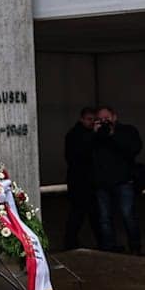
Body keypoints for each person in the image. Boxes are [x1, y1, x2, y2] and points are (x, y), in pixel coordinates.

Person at [91, 106, 143, 254]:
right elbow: (84, 154)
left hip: (123, 181)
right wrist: (94, 135)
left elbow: (134, 149)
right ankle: (109, 247)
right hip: (102, 183)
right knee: (104, 218)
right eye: (100, 120)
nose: (104, 122)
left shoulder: (127, 131)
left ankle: (135, 247)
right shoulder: (95, 136)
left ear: (114, 117)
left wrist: (113, 135)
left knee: (128, 216)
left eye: (106, 118)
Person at [63, 106, 97, 249]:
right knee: (78, 213)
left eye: (93, 120)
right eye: (89, 119)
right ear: (81, 119)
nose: (92, 122)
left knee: (92, 214)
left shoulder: (85, 134)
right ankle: (70, 241)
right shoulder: (75, 135)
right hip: (80, 181)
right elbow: (75, 157)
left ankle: (103, 242)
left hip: (88, 180)